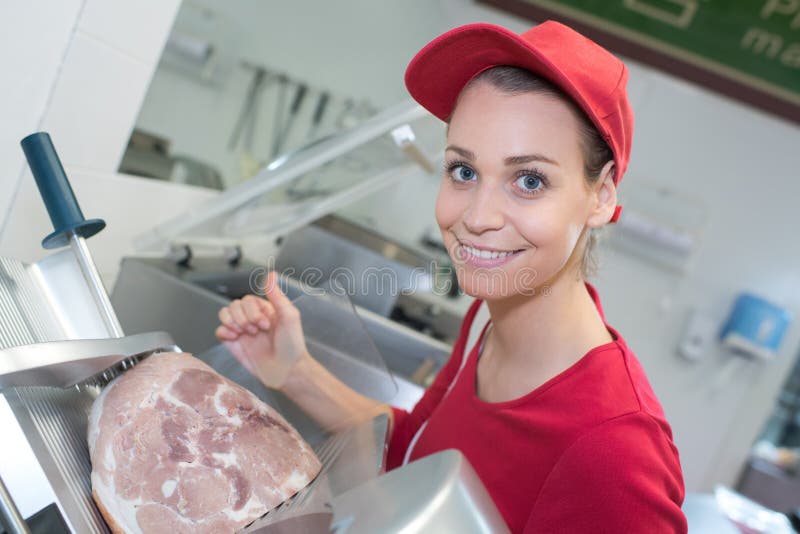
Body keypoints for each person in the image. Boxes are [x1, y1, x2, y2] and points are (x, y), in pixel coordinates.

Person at [216, 20, 687, 533]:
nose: (478, 216)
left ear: (601, 196)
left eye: (529, 180)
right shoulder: (488, 321)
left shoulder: (614, 449)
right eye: (463, 171)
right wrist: (295, 371)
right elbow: (419, 452)